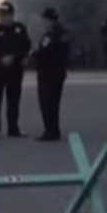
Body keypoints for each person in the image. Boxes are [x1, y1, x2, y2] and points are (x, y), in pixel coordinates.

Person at [0, 2, 32, 139]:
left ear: (12, 15)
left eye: (6, 15)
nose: (3, 18)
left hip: (15, 69)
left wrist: (14, 56)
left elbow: (26, 46)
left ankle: (13, 128)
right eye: (1, 15)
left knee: (13, 99)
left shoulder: (20, 29)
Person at [33, 8, 71, 142]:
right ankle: (53, 129)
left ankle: (50, 130)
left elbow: (43, 52)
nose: (43, 23)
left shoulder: (50, 35)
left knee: (46, 101)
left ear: (49, 20)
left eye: (44, 20)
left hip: (48, 72)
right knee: (54, 102)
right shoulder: (64, 33)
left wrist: (36, 51)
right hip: (58, 71)